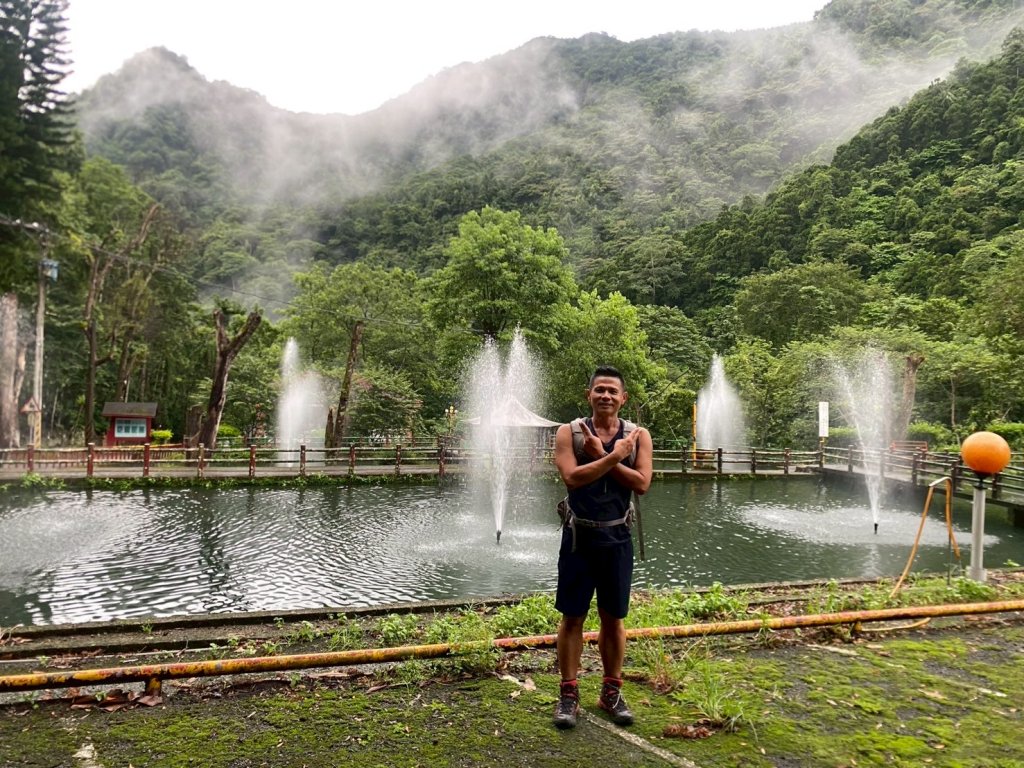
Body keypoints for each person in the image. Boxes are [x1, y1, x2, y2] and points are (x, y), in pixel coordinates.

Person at [551, 365, 653, 729]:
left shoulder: (637, 436)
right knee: (572, 616)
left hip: (617, 538)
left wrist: (609, 455)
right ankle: (568, 693)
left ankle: (611, 691)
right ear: (588, 395)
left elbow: (642, 483)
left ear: (623, 398)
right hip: (579, 538)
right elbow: (572, 478)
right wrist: (611, 455)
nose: (605, 396)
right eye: (600, 390)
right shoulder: (570, 433)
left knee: (613, 618)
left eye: (612, 391)